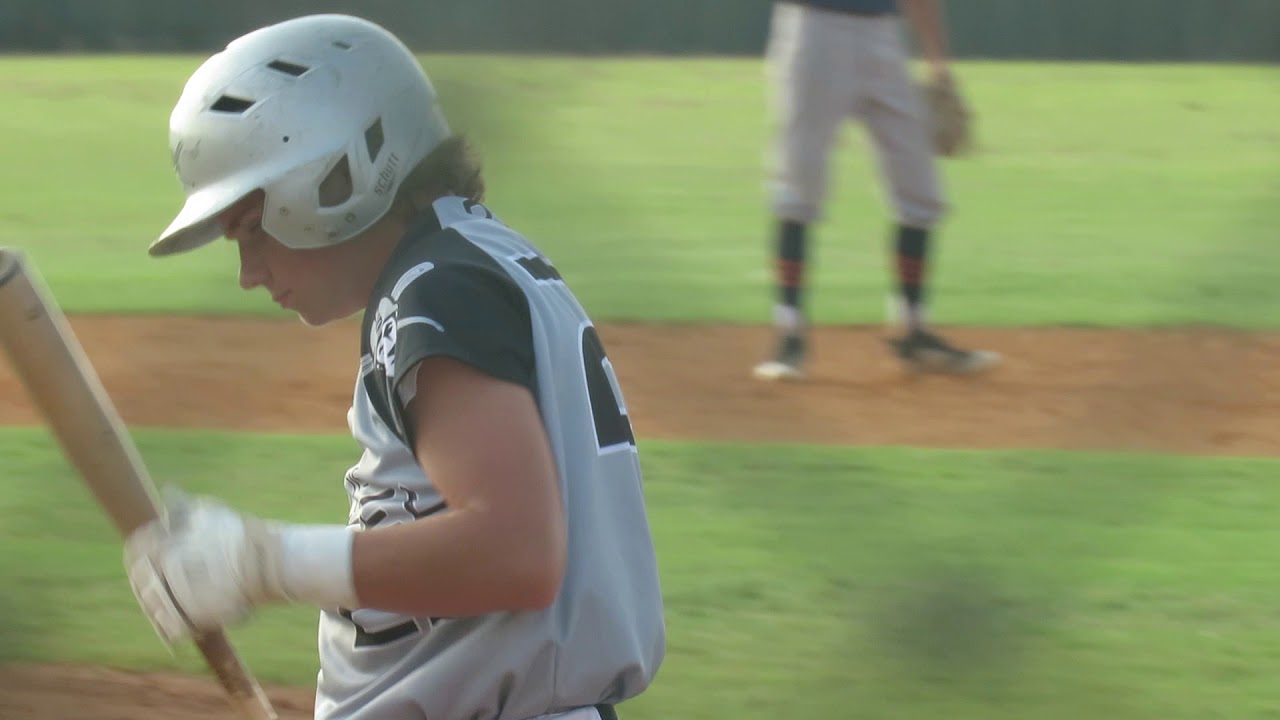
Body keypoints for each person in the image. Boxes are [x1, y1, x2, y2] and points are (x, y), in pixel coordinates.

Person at [122, 14, 665, 720]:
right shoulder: (469, 258)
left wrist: (265, 563)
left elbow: (518, 552)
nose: (249, 273)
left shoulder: (433, 291)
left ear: (333, 178)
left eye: (253, 230)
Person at [752, 0, 1000, 381]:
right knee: (800, 186)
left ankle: (914, 332)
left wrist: (938, 62)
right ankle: (790, 338)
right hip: (816, 27)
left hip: (883, 34)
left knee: (921, 190)